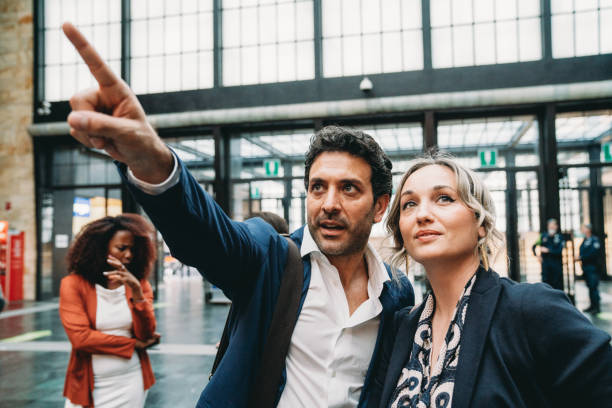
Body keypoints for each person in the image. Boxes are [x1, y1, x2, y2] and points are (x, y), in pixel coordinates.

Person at [61, 22, 414, 408]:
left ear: (380, 205)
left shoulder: (396, 293)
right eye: (318, 187)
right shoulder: (271, 257)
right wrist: (152, 160)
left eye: (348, 188)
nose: (328, 203)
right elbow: (206, 236)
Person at [371, 153, 612, 408]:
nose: (422, 214)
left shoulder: (531, 310)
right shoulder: (401, 327)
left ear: (481, 223)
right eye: (409, 204)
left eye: (444, 198)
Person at [60, 214, 160, 407]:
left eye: (132, 249)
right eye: (121, 248)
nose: (129, 255)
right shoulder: (73, 285)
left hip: (131, 380)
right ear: (100, 249)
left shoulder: (139, 284)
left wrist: (138, 293)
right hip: (90, 382)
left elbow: (146, 333)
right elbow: (81, 339)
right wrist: (132, 345)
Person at [532, 218, 565, 290]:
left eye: (553, 225)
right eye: (550, 226)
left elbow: (559, 250)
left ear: (556, 226)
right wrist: (537, 256)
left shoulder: (559, 237)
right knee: (546, 285)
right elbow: (534, 246)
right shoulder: (543, 236)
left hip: (556, 266)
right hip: (546, 266)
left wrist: (548, 250)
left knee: (557, 286)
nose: (552, 227)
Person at [578, 223, 602, 314]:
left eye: (583, 228)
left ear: (588, 229)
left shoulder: (594, 240)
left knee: (593, 287)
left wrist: (581, 257)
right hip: (586, 268)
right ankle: (592, 306)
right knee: (590, 287)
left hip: (593, 268)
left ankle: (597, 307)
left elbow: (593, 253)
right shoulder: (585, 240)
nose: (582, 230)